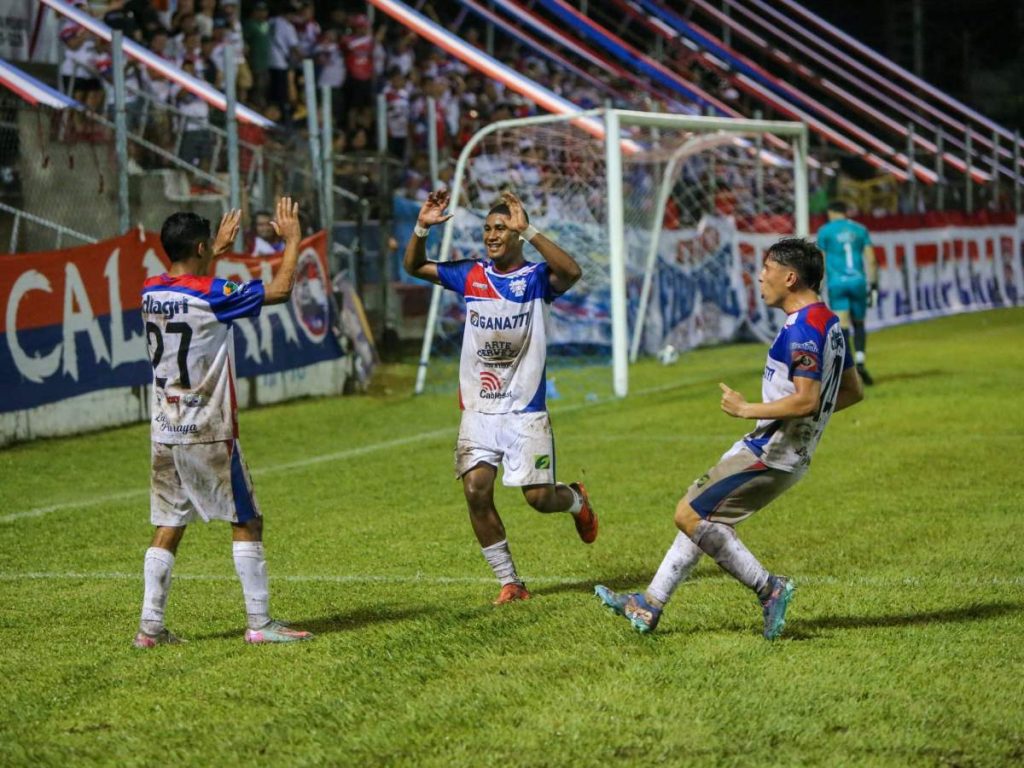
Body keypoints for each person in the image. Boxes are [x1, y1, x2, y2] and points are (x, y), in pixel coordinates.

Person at [596, 238, 863, 639]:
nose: (759, 276)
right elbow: (852, 391)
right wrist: (810, 422)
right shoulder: (830, 323)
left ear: (790, 278)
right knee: (701, 516)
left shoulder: (804, 329)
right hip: (779, 447)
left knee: (688, 514)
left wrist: (747, 409)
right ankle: (648, 604)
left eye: (767, 268)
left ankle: (768, 588)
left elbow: (806, 399)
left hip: (772, 450)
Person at [404, 189, 598, 605]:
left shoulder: (535, 279)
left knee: (539, 499)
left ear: (516, 235)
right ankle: (511, 582)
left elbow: (573, 271)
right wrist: (421, 227)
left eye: (501, 229)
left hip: (525, 412)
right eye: (487, 229)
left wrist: (529, 228)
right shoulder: (471, 275)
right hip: (478, 410)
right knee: (476, 490)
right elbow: (415, 265)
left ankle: (576, 499)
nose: (492, 236)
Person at [135, 197, 313, 647]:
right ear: (199, 247)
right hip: (207, 429)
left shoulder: (150, 289)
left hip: (164, 428)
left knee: (170, 523)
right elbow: (280, 290)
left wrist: (212, 250)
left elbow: (190, 284)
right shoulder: (212, 295)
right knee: (246, 520)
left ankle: (150, 629)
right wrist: (292, 241)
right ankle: (259, 623)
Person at [816, 201, 878, 384]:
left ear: (831, 212)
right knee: (859, 323)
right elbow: (872, 260)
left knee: (842, 326)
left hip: (837, 283)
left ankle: (849, 371)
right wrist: (873, 285)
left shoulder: (825, 231)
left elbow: (821, 260)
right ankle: (860, 361)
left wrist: (817, 286)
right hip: (858, 281)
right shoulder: (860, 229)